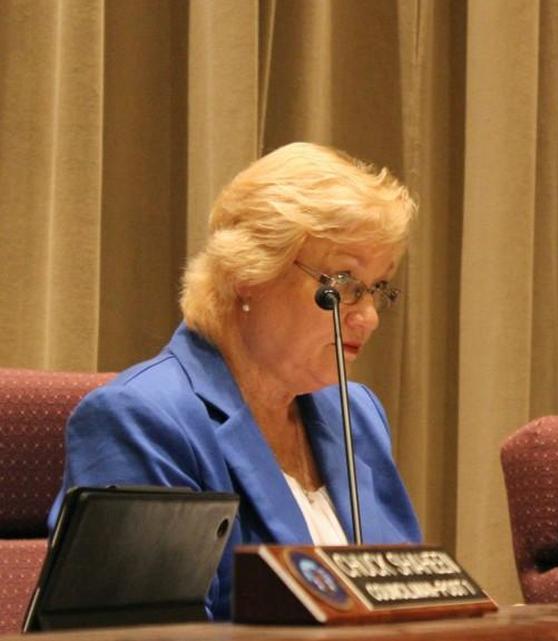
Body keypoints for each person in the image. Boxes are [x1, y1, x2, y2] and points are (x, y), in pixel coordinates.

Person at [48, 142, 422, 619]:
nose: (367, 317)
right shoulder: (142, 419)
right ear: (249, 272)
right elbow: (146, 634)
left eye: (376, 288)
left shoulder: (357, 414)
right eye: (343, 284)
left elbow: (409, 602)